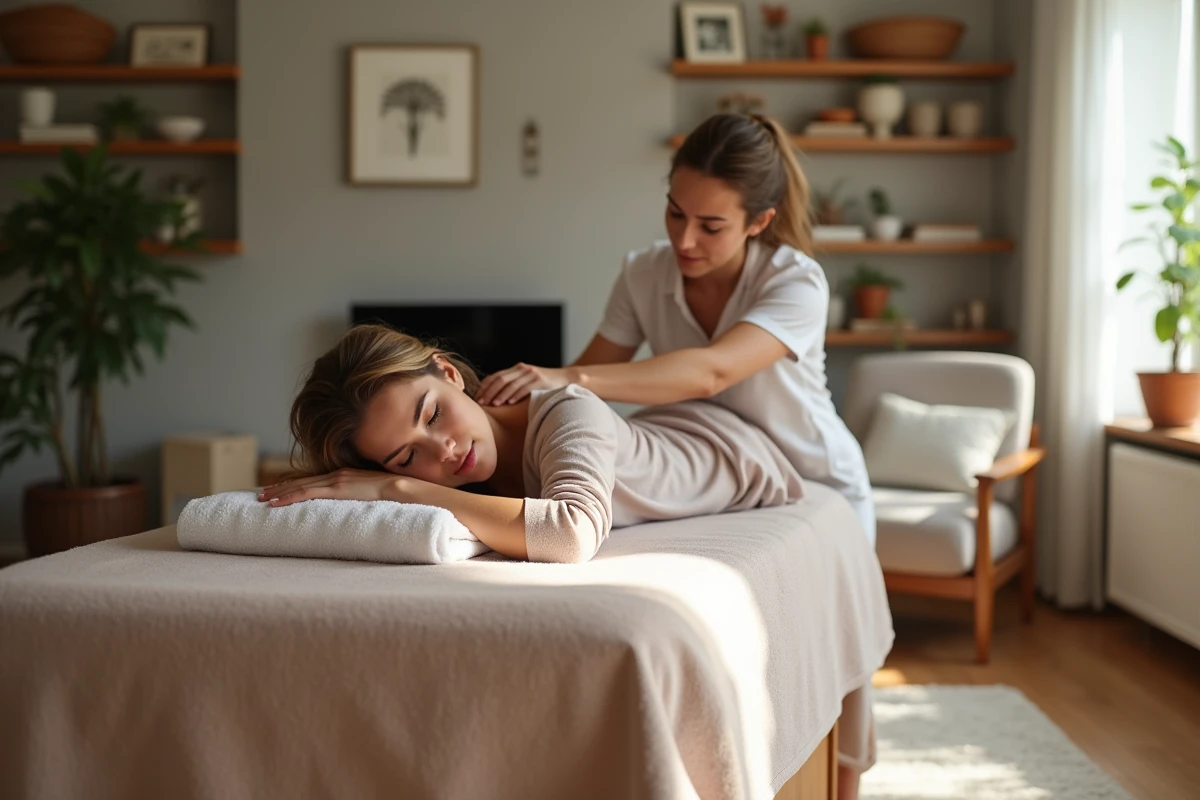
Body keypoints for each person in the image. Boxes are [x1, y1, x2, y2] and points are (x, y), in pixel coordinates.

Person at [474, 113, 875, 546]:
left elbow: (711, 373)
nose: (684, 240)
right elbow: (583, 380)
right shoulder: (644, 273)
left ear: (758, 222)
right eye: (675, 213)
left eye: (711, 227)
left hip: (812, 474)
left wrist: (569, 377)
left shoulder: (795, 282)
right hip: (720, 481)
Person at [259, 323, 803, 564]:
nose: (443, 451)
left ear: (448, 373)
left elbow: (571, 534)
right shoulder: (464, 482)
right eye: (406, 456)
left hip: (736, 451)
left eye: (434, 414)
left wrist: (397, 487)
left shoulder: (569, 408)